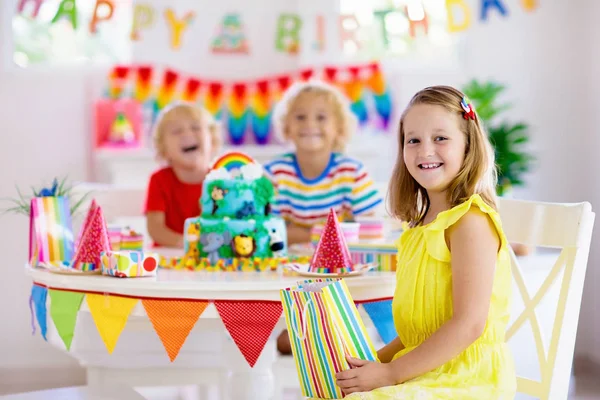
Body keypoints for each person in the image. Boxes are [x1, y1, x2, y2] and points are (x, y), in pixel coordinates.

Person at [333, 86, 516, 399]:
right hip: (425, 371)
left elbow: (469, 325)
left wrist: (390, 373)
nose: (424, 150)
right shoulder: (416, 231)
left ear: (468, 146)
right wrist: (374, 363)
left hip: (468, 379)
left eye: (440, 138)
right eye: (413, 140)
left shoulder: (470, 222)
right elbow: (415, 336)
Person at [264, 80, 382, 354]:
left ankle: (324, 333)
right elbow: (270, 234)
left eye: (321, 117)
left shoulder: (351, 171)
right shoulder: (275, 172)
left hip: (340, 272)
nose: (309, 124)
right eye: (300, 116)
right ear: (287, 126)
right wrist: (329, 233)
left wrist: (297, 230)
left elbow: (369, 229)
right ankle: (313, 333)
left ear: (338, 128)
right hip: (290, 269)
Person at [145, 102, 221, 247]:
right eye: (176, 131)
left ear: (212, 140)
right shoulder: (159, 180)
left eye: (196, 128)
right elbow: (156, 229)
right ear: (164, 148)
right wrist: (187, 243)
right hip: (168, 259)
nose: (187, 134)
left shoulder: (222, 181)